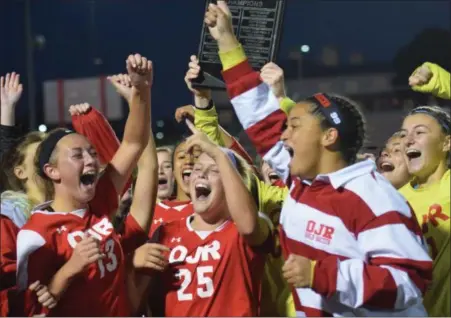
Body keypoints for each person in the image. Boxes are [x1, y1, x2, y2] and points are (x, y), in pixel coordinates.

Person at [204, 1, 433, 316]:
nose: (283, 135)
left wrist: (319, 274)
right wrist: (226, 40)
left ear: (329, 137)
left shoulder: (373, 198)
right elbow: (259, 116)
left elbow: (408, 281)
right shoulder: (303, 181)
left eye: (294, 126)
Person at [16, 53, 155, 316]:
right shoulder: (35, 235)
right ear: (52, 171)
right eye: (78, 155)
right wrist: (69, 270)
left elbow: (134, 144)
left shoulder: (99, 199)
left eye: (92, 152)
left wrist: (141, 90)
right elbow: (29, 312)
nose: (91, 160)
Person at [132, 120, 272, 316]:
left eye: (214, 170)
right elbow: (133, 302)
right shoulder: (165, 233)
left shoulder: (247, 229)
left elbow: (249, 227)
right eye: (198, 169)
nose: (201, 175)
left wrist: (218, 153)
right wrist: (133, 266)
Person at [398, 105, 450, 317]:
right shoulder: (393, 200)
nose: (408, 140)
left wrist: (439, 82)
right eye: (404, 134)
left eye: (419, 132)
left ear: (447, 143)